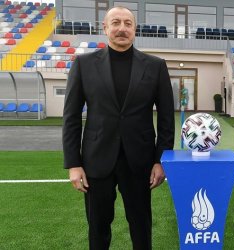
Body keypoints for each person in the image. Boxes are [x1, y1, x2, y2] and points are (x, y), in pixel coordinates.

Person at [62, 6, 174, 249]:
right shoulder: (83, 64)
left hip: (140, 161)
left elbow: (166, 119)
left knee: (141, 227)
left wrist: (160, 160)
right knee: (98, 227)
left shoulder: (155, 66)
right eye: (115, 23)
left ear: (135, 29)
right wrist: (74, 163)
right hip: (96, 159)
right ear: (105, 28)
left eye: (127, 23)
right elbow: (70, 117)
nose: (122, 28)